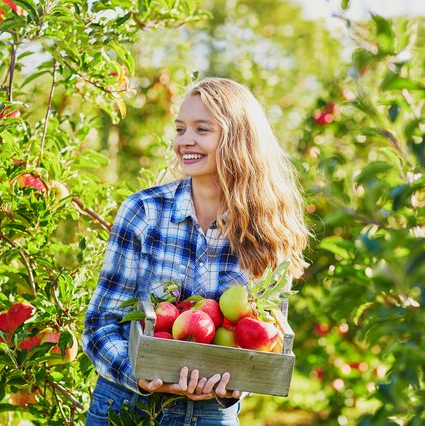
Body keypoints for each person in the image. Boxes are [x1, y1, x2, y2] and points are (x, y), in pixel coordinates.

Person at [82, 77, 310, 425]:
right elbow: (100, 324)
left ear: (237, 140)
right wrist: (139, 374)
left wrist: (235, 385)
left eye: (202, 129)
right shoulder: (144, 213)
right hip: (128, 408)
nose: (184, 141)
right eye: (180, 129)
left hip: (210, 416)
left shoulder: (267, 230)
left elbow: (267, 343)